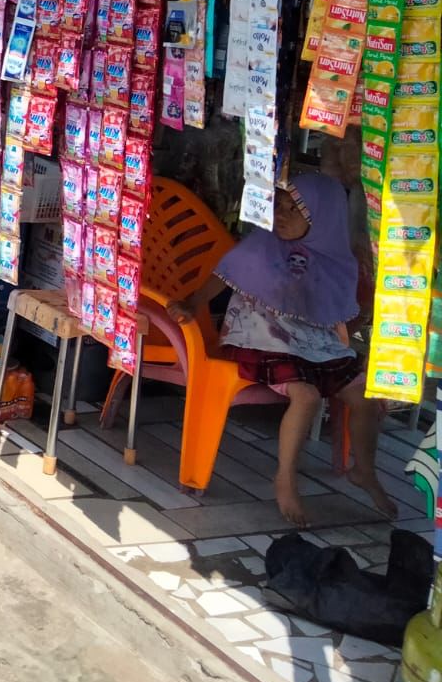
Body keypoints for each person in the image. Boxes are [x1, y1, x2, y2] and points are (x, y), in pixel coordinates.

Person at [166, 174, 396, 527]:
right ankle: (285, 478)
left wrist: (343, 330)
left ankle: (363, 470)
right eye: (279, 205)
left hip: (311, 342)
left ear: (324, 218)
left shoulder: (336, 258)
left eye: (295, 209)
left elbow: (340, 310)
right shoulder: (263, 244)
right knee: (305, 396)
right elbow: (225, 273)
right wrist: (192, 303)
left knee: (365, 396)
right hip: (259, 339)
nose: (281, 215)